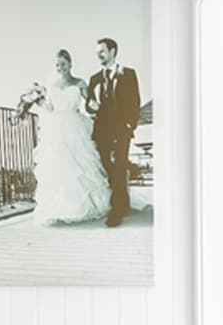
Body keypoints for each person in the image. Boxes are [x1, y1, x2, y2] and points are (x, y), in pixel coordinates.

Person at [31, 49, 111, 226]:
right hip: (56, 129)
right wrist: (39, 101)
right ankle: (60, 209)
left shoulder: (80, 83)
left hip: (75, 126)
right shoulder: (51, 86)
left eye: (64, 64)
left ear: (70, 64)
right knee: (59, 167)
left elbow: (90, 102)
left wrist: (96, 107)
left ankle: (84, 208)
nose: (60, 67)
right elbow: (50, 108)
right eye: (57, 64)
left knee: (80, 165)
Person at [85, 37, 141, 227]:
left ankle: (116, 210)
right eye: (97, 52)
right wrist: (91, 107)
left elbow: (135, 102)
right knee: (107, 166)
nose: (99, 55)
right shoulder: (94, 78)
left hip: (121, 130)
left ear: (112, 51)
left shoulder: (128, 74)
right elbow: (89, 105)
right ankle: (122, 201)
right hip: (102, 131)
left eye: (102, 51)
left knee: (119, 166)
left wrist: (129, 125)